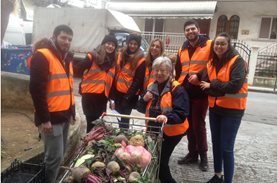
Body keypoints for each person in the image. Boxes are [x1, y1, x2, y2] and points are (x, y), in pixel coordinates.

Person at [29, 25, 75, 183]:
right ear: (54, 37)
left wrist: (72, 112)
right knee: (54, 158)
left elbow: (68, 87)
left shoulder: (65, 58)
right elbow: (36, 90)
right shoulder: (42, 56)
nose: (67, 41)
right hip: (51, 118)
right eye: (63, 37)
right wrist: (44, 119)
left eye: (69, 39)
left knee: (59, 156)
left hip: (63, 116)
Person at [200, 32, 248, 183]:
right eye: (217, 44)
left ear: (229, 45)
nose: (219, 46)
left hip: (233, 111)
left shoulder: (237, 61)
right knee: (216, 143)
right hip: (215, 108)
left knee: (227, 148)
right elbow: (204, 84)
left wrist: (213, 85)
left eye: (222, 44)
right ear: (213, 45)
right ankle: (218, 175)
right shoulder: (212, 62)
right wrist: (212, 86)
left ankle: (228, 181)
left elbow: (235, 86)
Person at [137, 56, 189, 183]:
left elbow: (182, 113)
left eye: (163, 70)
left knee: (160, 162)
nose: (159, 73)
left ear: (169, 72)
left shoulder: (177, 89)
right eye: (156, 70)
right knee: (153, 158)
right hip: (154, 129)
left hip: (172, 131)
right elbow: (140, 108)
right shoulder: (151, 86)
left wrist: (167, 117)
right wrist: (144, 99)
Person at [175, 19, 212, 171]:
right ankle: (192, 154)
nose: (190, 32)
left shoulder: (209, 44)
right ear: (185, 33)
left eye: (193, 29)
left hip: (201, 92)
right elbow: (178, 71)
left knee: (199, 125)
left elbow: (213, 65)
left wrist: (199, 75)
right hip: (185, 94)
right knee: (189, 125)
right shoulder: (182, 49)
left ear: (198, 29)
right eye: (187, 30)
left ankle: (203, 156)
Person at [75, 35, 118, 132]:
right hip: (90, 96)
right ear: (103, 44)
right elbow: (78, 68)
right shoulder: (92, 57)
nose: (110, 46)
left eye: (113, 45)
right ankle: (87, 144)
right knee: (91, 124)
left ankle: (91, 144)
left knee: (98, 124)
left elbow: (110, 82)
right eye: (108, 43)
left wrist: (112, 99)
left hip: (102, 98)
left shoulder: (113, 63)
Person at [111, 34, 145, 129]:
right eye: (131, 43)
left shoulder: (141, 60)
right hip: (118, 92)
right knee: (118, 116)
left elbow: (137, 82)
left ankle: (124, 137)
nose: (132, 46)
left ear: (138, 45)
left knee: (125, 119)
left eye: (135, 44)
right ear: (127, 43)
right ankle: (121, 136)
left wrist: (127, 98)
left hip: (129, 95)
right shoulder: (121, 54)